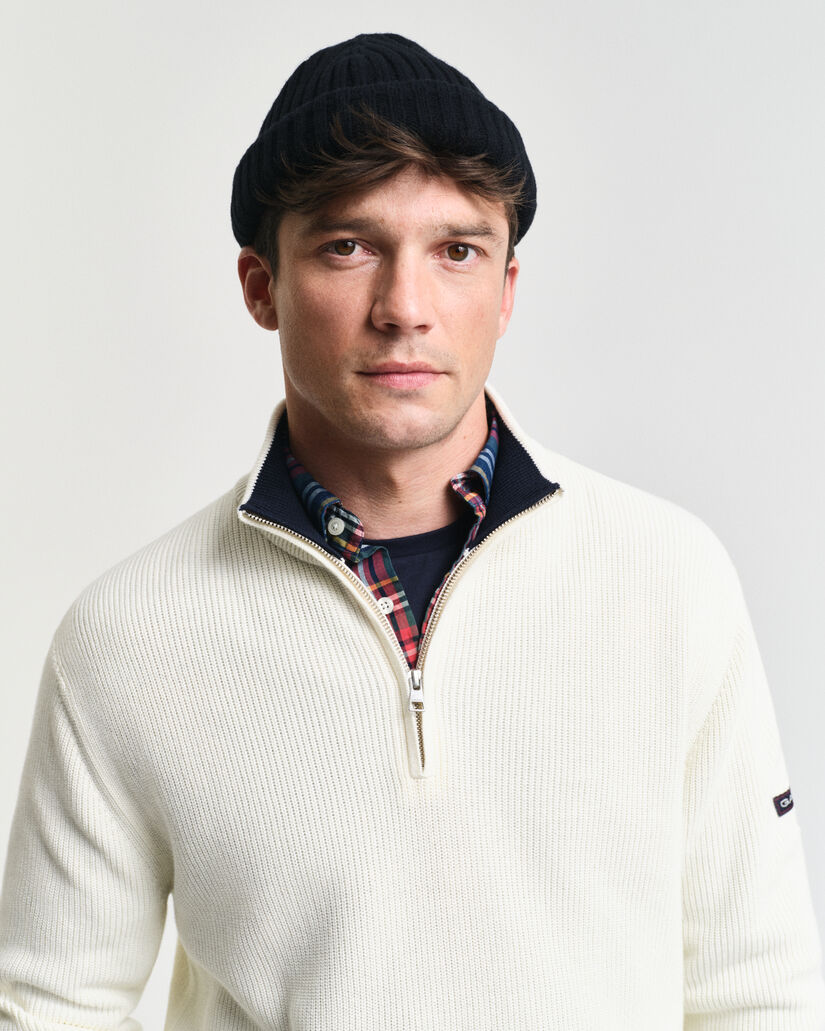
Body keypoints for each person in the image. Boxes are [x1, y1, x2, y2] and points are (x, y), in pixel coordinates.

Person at [0, 31, 822, 1031]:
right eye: (348, 247)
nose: (405, 308)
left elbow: (758, 991)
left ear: (505, 290)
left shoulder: (667, 576)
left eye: (456, 251)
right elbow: (50, 1004)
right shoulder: (131, 633)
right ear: (261, 285)